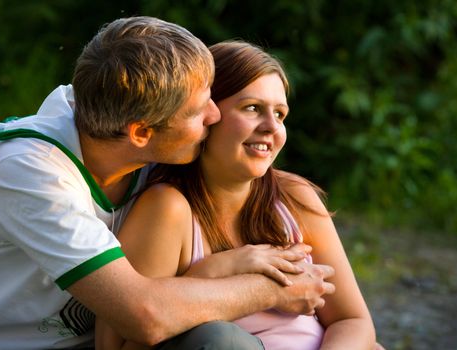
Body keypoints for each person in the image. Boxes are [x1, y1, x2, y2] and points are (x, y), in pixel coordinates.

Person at [0, 17, 336, 350]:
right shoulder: (31, 175)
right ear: (141, 132)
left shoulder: (131, 136)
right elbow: (145, 315)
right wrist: (275, 289)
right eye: (198, 108)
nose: (214, 114)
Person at [96, 40, 377, 350]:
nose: (272, 127)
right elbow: (115, 345)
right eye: (252, 108)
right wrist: (216, 270)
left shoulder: (295, 198)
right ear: (207, 114)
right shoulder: (169, 208)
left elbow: (352, 320)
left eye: (280, 114)